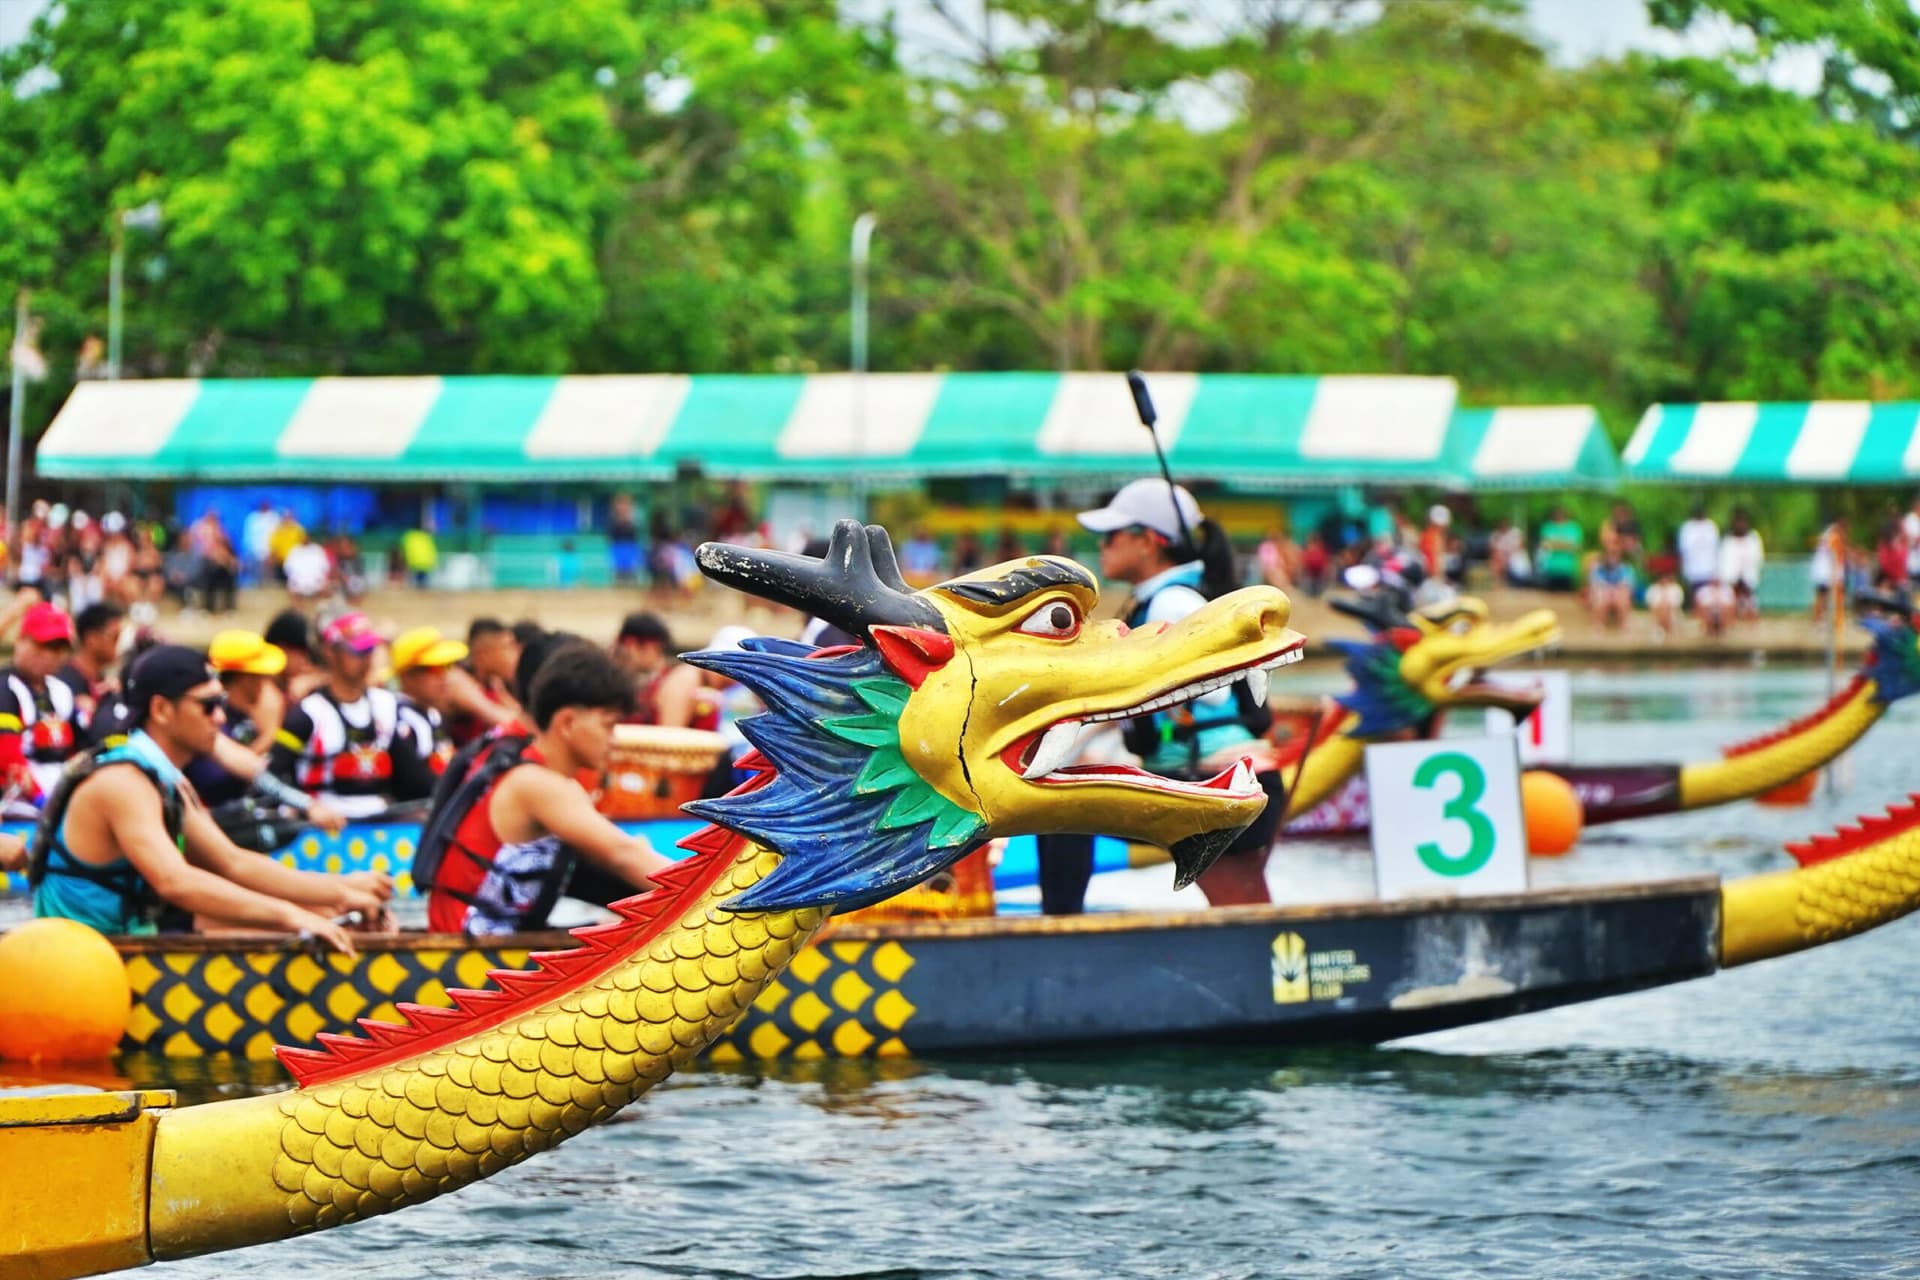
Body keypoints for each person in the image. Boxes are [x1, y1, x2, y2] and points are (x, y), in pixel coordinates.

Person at [30, 645, 381, 949]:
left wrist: (342, 891)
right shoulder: (124, 781)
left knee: (325, 914)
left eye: (221, 703)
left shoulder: (163, 775)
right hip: (81, 959)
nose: (220, 717)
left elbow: (234, 862)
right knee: (301, 920)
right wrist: (293, 916)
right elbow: (176, 883)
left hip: (127, 939)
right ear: (162, 710)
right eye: (208, 705)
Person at [1075, 479, 1283, 909]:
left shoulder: (1172, 603)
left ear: (1150, 542)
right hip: (1224, 779)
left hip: (1214, 783)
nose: (1102, 546)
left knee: (1064, 811)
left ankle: (1056, 930)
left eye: (1112, 535)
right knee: (1246, 907)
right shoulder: (1167, 598)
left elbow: (1211, 691)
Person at [424, 643, 674, 935]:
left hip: (496, 937)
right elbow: (622, 854)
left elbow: (620, 857)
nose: (615, 739)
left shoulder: (541, 774)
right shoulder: (536, 784)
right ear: (567, 722)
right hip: (466, 951)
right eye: (609, 725)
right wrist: (709, 897)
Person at [269, 612, 406, 819]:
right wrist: (306, 806)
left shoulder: (386, 705)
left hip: (378, 827)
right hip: (320, 832)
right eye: (357, 651)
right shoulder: (307, 715)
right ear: (330, 652)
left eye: (370, 649)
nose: (366, 659)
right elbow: (269, 779)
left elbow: (412, 776)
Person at [0, 602, 84, 802]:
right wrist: (43, 801)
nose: (48, 656)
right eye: (42, 645)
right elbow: (7, 756)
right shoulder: (6, 688)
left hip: (60, 797)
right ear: (21, 641)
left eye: (57, 648)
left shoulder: (62, 691)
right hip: (17, 806)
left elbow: (80, 749)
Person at [389, 626, 467, 800]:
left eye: (446, 667)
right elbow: (416, 783)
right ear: (406, 675)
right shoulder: (398, 718)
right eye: (433, 669)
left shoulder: (433, 714)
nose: (444, 677)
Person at [446, 617, 523, 747]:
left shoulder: (495, 684)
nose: (515, 655)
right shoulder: (460, 682)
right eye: (507, 648)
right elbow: (519, 726)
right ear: (484, 655)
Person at [57, 601, 126, 716]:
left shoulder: (104, 683)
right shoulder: (64, 682)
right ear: (91, 639)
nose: (119, 644)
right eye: (115, 637)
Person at [1718, 507, 1764, 622]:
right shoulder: (1727, 541)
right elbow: (1724, 564)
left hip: (1748, 583)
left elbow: (1757, 560)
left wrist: (1746, 578)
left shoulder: (1753, 539)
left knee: (1751, 606)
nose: (1740, 525)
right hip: (1731, 583)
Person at [1535, 506, 1584, 593]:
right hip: (1551, 570)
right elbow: (1544, 545)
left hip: (1568, 570)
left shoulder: (1574, 527)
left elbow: (1577, 546)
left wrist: (1555, 544)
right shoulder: (1547, 527)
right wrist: (1566, 545)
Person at [1678, 504, 1720, 602]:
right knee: (1693, 595)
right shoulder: (1687, 527)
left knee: (1706, 597)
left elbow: (1715, 548)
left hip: (1708, 568)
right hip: (1692, 568)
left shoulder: (1711, 526)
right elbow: (1683, 549)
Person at [1587, 548, 1635, 631]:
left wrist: (1615, 592)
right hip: (1604, 595)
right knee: (1600, 596)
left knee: (1623, 595)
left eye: (1614, 555)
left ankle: (1624, 624)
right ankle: (1598, 623)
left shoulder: (1626, 569)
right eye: (1609, 555)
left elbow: (1628, 585)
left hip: (1618, 595)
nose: (1612, 558)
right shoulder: (1598, 569)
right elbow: (1595, 585)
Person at [1645, 567, 1684, 640]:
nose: (1664, 579)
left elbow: (1675, 607)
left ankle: (1666, 630)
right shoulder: (1653, 589)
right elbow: (1651, 607)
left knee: (1665, 607)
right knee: (1662, 607)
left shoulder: (1676, 589)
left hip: (1670, 614)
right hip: (1658, 614)